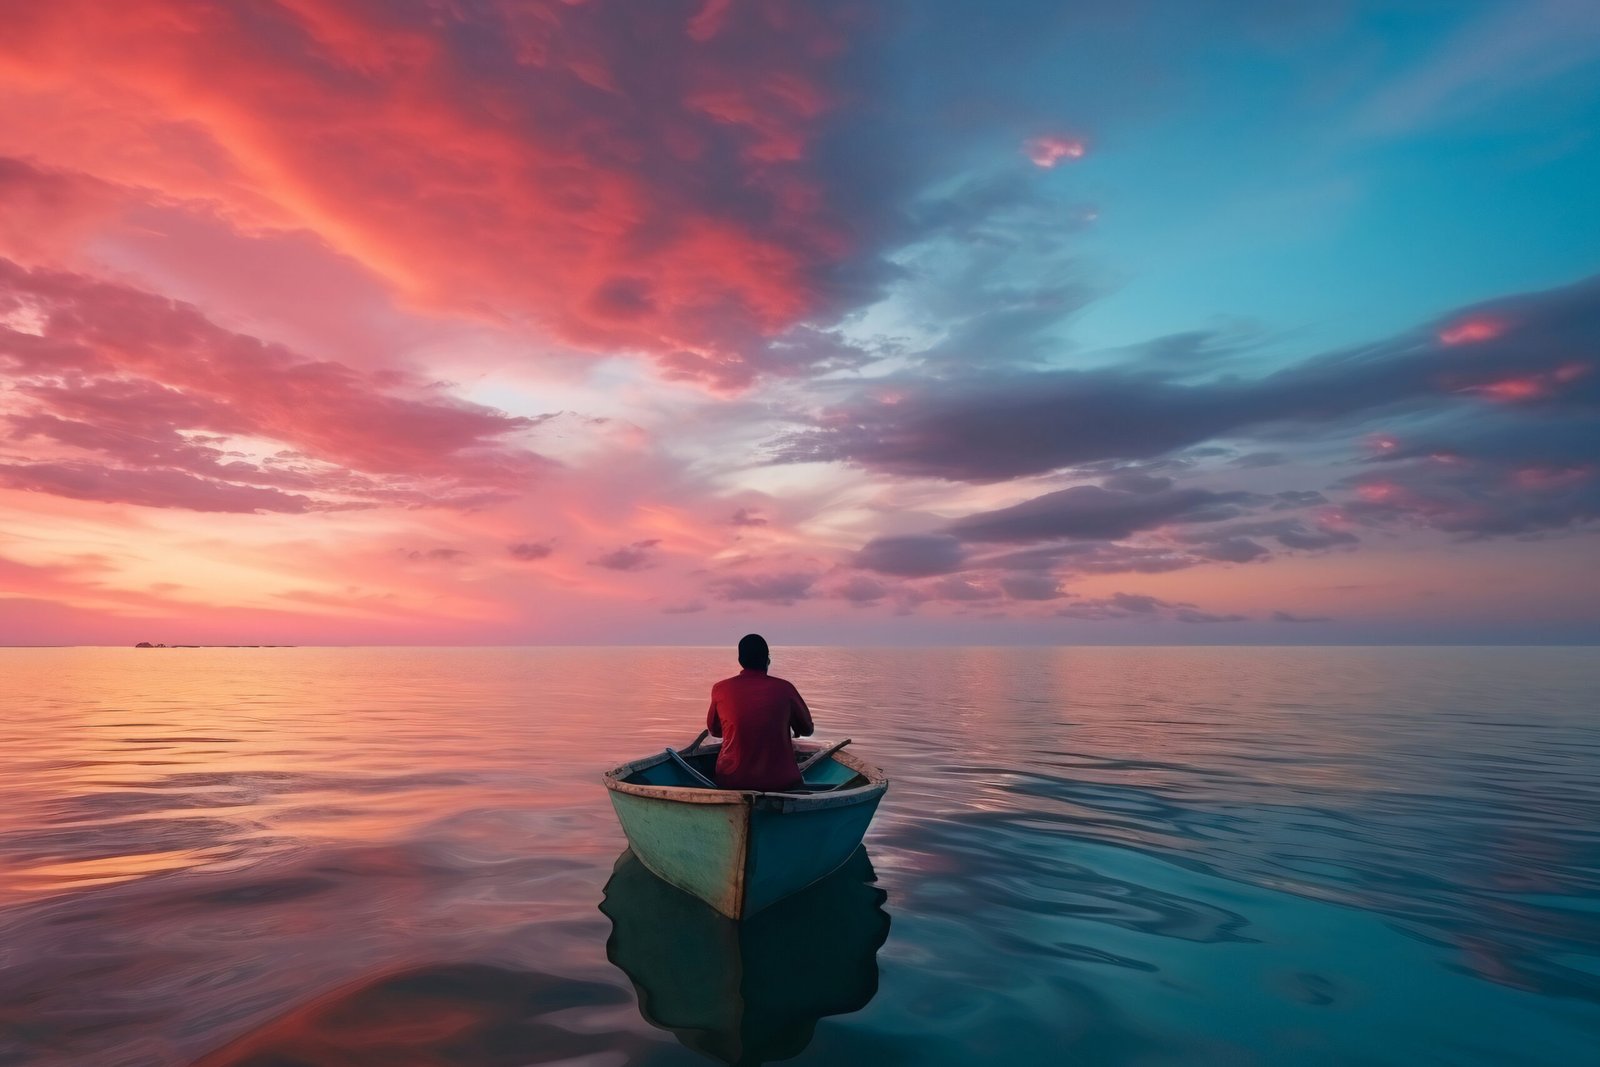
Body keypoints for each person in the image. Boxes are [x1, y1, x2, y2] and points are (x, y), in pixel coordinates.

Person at [705, 634, 814, 791]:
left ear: (740, 661)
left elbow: (715, 731)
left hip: (732, 780)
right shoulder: (785, 689)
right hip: (781, 782)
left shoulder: (720, 689)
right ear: (767, 660)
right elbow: (807, 730)